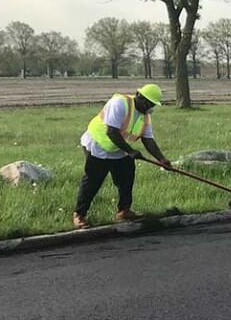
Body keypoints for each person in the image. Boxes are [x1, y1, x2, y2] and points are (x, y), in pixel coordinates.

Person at [73, 83, 171, 229]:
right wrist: (130, 151)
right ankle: (79, 215)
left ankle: (124, 211)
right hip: (98, 145)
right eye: (147, 103)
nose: (149, 107)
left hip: (118, 147)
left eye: (152, 105)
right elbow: (111, 131)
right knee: (93, 180)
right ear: (139, 96)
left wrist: (161, 159)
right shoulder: (120, 103)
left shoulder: (145, 117)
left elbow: (148, 139)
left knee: (126, 177)